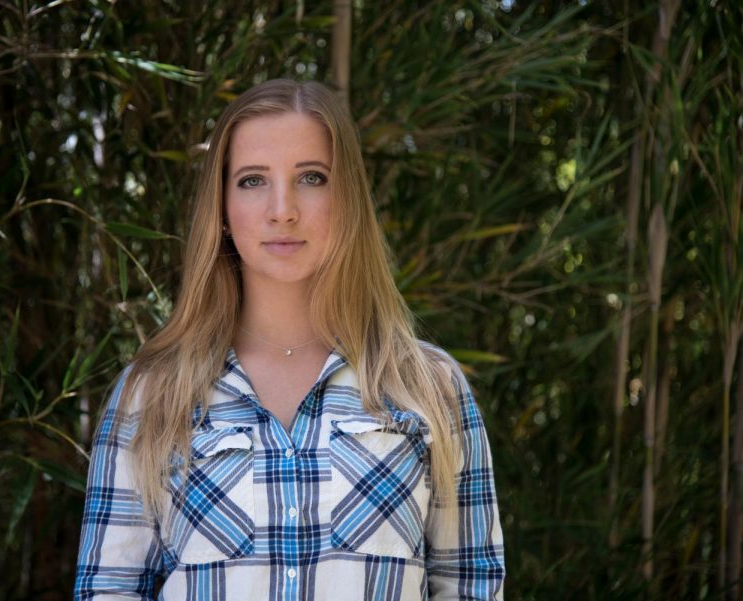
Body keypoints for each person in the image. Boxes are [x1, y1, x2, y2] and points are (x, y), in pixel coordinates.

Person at [74, 78, 505, 600]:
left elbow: (470, 587)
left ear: (347, 197)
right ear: (223, 208)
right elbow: (109, 590)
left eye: (312, 177)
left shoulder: (429, 387)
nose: (283, 209)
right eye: (253, 180)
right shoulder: (152, 393)